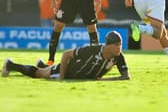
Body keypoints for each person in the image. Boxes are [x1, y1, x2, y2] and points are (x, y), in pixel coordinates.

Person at [2, 31, 130, 81]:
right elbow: (66, 54)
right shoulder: (92, 50)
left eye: (121, 44)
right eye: (117, 45)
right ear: (108, 45)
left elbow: (126, 77)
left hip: (78, 77)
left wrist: (104, 80)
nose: (120, 48)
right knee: (39, 74)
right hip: (67, 70)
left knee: (43, 70)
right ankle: (10, 65)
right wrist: (62, 78)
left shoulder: (119, 56)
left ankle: (42, 65)